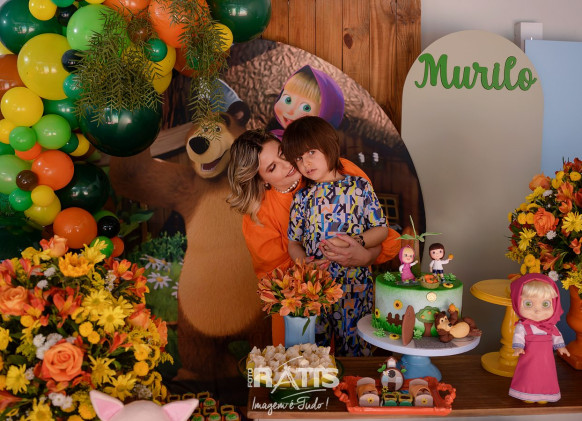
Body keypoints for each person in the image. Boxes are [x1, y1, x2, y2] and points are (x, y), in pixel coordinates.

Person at [227, 129, 401, 345]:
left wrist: (366, 257)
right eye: (272, 167)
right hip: (302, 307)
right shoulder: (258, 215)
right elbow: (275, 278)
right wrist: (306, 266)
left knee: (354, 352)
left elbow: (379, 230)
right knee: (309, 358)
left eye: (283, 153)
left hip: (352, 291)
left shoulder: (340, 170)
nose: (287, 165)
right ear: (261, 180)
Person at [282, 116, 389, 356]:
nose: (306, 162)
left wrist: (359, 242)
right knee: (312, 352)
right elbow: (293, 242)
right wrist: (303, 262)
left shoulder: (359, 187)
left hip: (355, 286)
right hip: (315, 288)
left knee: (356, 350)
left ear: (330, 145)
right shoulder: (302, 198)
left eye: (311, 152)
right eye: (298, 158)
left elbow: (381, 229)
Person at [509, 273, 570, 403]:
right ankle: (527, 393)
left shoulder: (550, 326)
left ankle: (545, 394)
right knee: (528, 374)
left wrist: (561, 347)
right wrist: (518, 347)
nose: (537, 311)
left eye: (546, 304)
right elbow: (518, 336)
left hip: (546, 359)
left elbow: (556, 336)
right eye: (528, 304)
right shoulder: (523, 326)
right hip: (529, 358)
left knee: (546, 375)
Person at [268, 65, 344, 139]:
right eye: (288, 100)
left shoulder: (316, 146)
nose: (290, 111)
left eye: (306, 107)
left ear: (325, 115)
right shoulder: (271, 138)